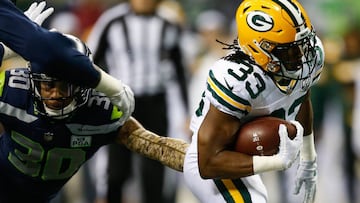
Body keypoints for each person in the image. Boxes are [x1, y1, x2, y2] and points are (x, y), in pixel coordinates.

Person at [0, 2, 189, 203]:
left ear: (83, 85)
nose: (56, 94)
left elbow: (153, 145)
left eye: (66, 86)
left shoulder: (100, 110)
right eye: (48, 85)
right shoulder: (10, 91)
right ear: (32, 81)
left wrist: (197, 160)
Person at [183, 0, 324, 202]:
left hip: (247, 159)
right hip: (214, 159)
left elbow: (301, 95)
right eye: (289, 50)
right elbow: (207, 164)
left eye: (302, 44)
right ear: (262, 48)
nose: (301, 56)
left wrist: (309, 158)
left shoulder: (309, 57)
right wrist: (276, 162)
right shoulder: (238, 80)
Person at [86, 0, 189, 202]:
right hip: (121, 101)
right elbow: (91, 60)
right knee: (116, 168)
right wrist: (92, 100)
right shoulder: (112, 20)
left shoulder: (169, 23)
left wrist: (185, 113)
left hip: (156, 101)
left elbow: (179, 70)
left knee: (156, 165)